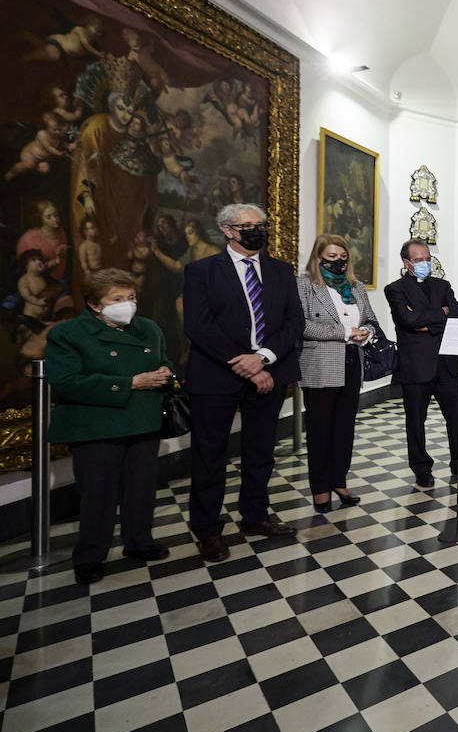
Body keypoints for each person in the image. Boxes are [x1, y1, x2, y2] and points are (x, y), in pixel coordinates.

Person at [183, 203, 305, 563]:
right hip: (216, 376)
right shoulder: (202, 271)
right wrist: (248, 364)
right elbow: (199, 326)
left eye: (261, 224)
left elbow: (292, 323)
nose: (257, 230)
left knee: (260, 451)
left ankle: (255, 515)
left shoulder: (281, 270)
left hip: (270, 371)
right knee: (210, 456)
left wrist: (264, 358)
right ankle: (207, 530)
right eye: (247, 225)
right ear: (228, 231)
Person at [46, 268, 173, 584]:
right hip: (96, 425)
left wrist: (165, 373)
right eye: (117, 299)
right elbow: (66, 381)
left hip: (143, 420)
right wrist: (129, 383)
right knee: (98, 495)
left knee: (141, 489)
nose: (127, 304)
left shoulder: (148, 328)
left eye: (131, 297)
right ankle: (90, 557)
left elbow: (165, 360)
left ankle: (139, 542)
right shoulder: (68, 334)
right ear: (94, 304)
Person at [384, 239, 458, 488]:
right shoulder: (395, 289)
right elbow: (408, 319)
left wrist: (426, 324)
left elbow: (457, 314)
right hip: (417, 366)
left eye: (427, 259)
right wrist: (442, 314)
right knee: (416, 421)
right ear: (406, 263)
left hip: (448, 363)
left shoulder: (442, 285)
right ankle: (421, 468)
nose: (425, 263)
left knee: (457, 417)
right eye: (418, 260)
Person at [297, 235, 382, 512]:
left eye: (343, 257)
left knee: (344, 430)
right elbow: (302, 325)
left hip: (351, 362)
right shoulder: (305, 285)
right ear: (318, 257)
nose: (338, 262)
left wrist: (366, 332)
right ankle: (320, 489)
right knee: (320, 431)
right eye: (331, 257)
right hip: (320, 366)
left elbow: (370, 318)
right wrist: (345, 332)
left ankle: (338, 480)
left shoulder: (355, 287)